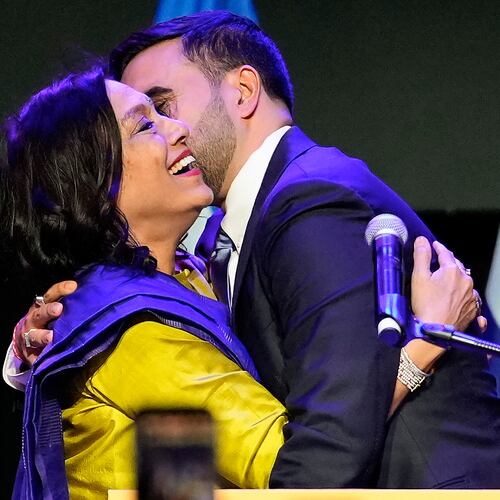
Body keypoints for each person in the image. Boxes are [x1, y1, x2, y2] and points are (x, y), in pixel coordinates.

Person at [6, 11, 500, 488]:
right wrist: (423, 349)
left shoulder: (299, 206)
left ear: (242, 92)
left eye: (165, 105)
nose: (175, 130)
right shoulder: (134, 326)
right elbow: (297, 471)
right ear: (96, 187)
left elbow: (293, 466)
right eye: (148, 121)